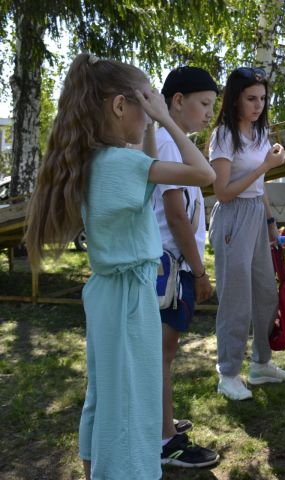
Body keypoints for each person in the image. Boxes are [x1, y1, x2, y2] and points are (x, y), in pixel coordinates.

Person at [24, 53, 216, 479]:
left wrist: (150, 124)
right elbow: (204, 175)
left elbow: (145, 174)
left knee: (107, 397)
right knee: (133, 405)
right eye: (143, 106)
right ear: (119, 105)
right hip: (131, 300)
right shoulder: (125, 164)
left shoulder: (100, 162)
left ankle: (98, 471)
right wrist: (167, 119)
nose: (148, 117)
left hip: (108, 293)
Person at [209, 67, 285, 402]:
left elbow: (260, 186)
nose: (258, 105)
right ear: (235, 98)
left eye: (262, 98)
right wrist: (265, 167)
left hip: (257, 216)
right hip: (233, 216)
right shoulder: (224, 136)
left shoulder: (260, 133)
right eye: (251, 98)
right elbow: (224, 191)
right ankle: (228, 373)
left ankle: (260, 363)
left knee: (265, 293)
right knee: (236, 301)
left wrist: (271, 222)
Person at [153, 66, 220, 467]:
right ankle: (164, 442)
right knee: (160, 352)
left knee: (165, 350)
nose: (209, 113)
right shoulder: (165, 141)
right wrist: (198, 271)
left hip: (174, 265)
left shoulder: (175, 141)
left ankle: (162, 422)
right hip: (169, 267)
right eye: (204, 104)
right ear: (177, 101)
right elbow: (176, 214)